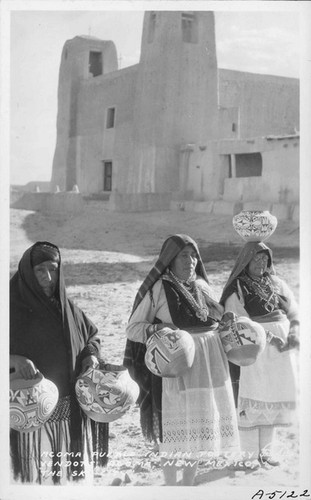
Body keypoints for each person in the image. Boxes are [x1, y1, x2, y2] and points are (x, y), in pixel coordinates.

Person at [124, 234, 240, 486]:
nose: (191, 260)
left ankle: (187, 483)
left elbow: (216, 322)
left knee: (197, 429)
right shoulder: (158, 288)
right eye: (184, 255)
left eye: (194, 255)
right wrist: (156, 330)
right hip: (175, 367)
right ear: (170, 259)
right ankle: (169, 483)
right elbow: (133, 327)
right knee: (173, 429)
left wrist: (226, 322)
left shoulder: (202, 286)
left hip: (208, 365)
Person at [10, 241, 109, 484]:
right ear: (27, 271)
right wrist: (13, 359)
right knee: (37, 478)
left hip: (69, 410)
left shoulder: (67, 307)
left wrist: (90, 355)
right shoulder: (11, 307)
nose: (48, 277)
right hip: (30, 411)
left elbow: (91, 336)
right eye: (40, 270)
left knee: (69, 480)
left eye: (53, 269)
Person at [220, 241, 299, 467]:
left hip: (282, 352)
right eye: (256, 258)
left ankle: (265, 452)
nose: (261, 262)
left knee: (272, 396)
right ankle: (249, 457)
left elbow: (294, 309)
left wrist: (293, 334)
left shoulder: (276, 283)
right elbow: (238, 320)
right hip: (253, 349)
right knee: (253, 397)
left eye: (265, 258)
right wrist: (270, 338)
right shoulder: (237, 288)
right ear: (245, 261)